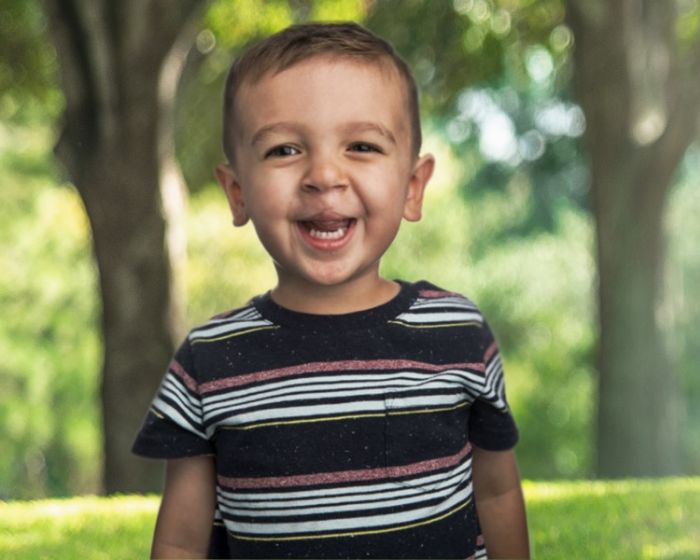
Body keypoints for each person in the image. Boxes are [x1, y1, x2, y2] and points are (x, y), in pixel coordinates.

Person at [133, 21, 529, 560]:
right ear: (237, 192)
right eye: (284, 150)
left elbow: (498, 491)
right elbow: (181, 541)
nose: (324, 174)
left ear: (413, 188)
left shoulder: (456, 334)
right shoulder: (210, 361)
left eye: (361, 146)